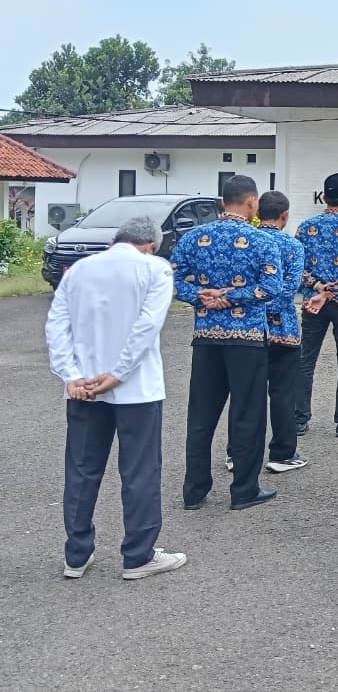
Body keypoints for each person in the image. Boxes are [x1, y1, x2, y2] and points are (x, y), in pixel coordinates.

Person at [46, 217, 188, 580]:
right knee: (139, 470)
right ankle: (138, 555)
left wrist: (70, 374)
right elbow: (147, 326)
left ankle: (76, 554)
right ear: (151, 245)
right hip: (136, 388)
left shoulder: (80, 270)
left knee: (81, 469)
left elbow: (57, 325)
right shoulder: (155, 269)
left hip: (83, 386)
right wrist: (119, 373)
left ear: (116, 239)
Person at [171, 174, 283, 511]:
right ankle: (244, 490)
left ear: (222, 202)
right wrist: (233, 297)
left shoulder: (194, 237)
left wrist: (202, 296)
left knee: (201, 417)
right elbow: (271, 288)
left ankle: (194, 490)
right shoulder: (263, 241)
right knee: (247, 415)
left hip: (206, 337)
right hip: (248, 338)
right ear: (252, 202)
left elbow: (171, 279)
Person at [294, 172, 338, 438]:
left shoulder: (305, 228)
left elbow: (299, 268)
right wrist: (331, 291)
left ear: (324, 197)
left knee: (305, 360)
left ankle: (300, 419)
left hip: (313, 302)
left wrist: (318, 288)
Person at [253, 191, 308, 473]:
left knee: (247, 393)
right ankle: (283, 453)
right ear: (284, 215)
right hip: (283, 328)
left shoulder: (249, 240)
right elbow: (289, 290)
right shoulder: (293, 246)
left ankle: (238, 452)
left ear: (257, 212)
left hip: (249, 328)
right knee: (283, 392)